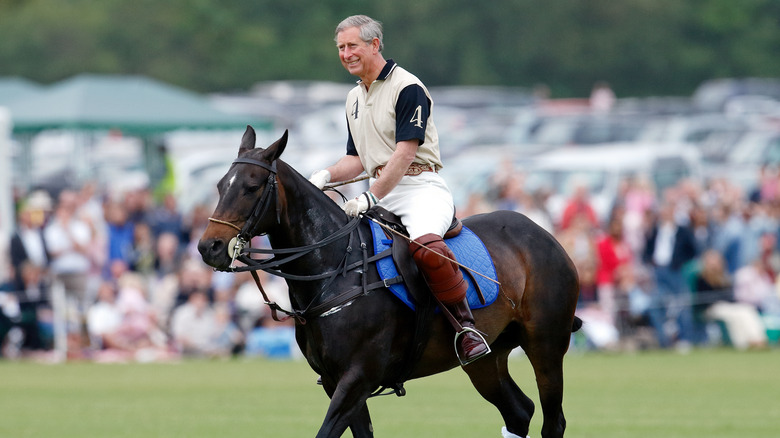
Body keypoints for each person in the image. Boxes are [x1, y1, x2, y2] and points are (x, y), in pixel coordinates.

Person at [308, 15, 489, 364]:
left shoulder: (407, 87)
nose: (346, 54)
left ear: (375, 45)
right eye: (341, 48)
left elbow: (405, 154)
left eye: (352, 46)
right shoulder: (353, 98)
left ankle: (466, 329)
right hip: (380, 189)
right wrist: (324, 176)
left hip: (420, 186)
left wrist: (371, 196)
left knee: (424, 245)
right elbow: (356, 160)